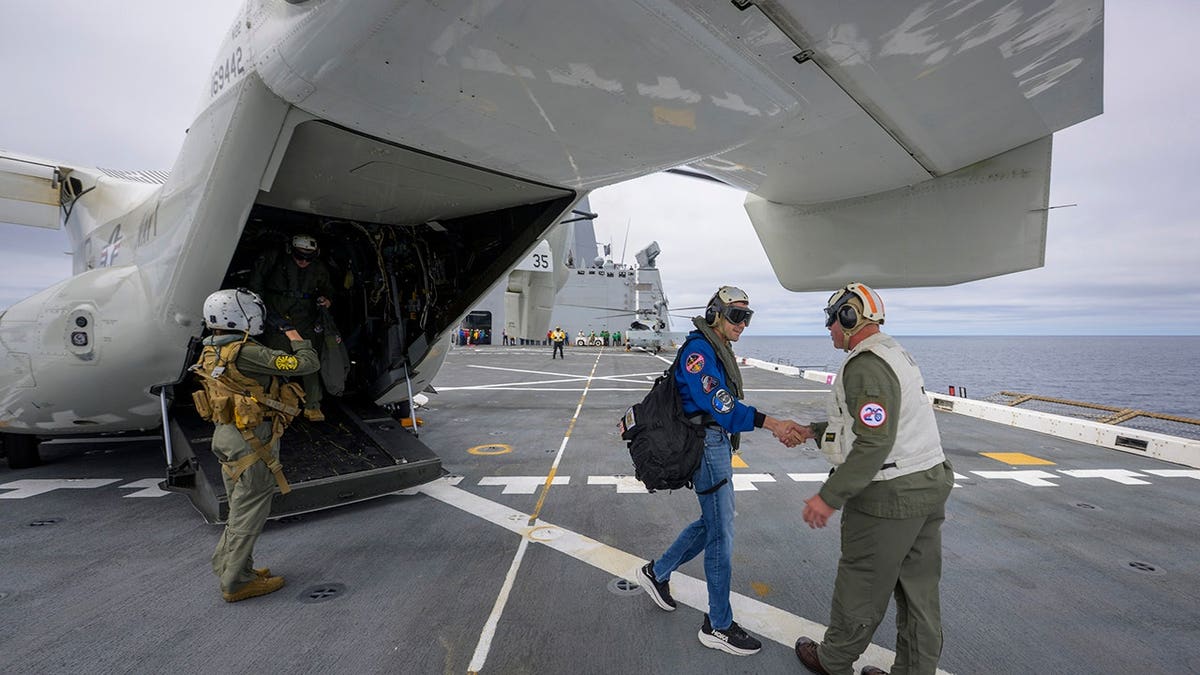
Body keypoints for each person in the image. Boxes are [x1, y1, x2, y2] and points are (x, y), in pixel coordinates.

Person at [791, 282, 954, 675]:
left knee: (861, 583)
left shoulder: (865, 366)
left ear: (849, 318)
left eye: (832, 320)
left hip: (889, 496)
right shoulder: (892, 352)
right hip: (926, 482)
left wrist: (828, 497)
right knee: (919, 593)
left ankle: (833, 661)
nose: (829, 328)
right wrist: (813, 431)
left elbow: (874, 443)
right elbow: (866, 425)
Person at [636, 285, 807, 656]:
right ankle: (718, 625)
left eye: (747, 316)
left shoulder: (717, 349)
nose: (743, 324)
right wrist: (773, 423)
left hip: (716, 444)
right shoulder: (700, 352)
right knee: (721, 535)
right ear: (715, 314)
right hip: (707, 446)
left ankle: (657, 572)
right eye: (736, 316)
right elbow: (723, 407)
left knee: (716, 521)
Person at [191, 288, 320, 602]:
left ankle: (233, 567)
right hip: (251, 441)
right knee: (250, 511)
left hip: (226, 437)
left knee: (239, 508)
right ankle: (236, 583)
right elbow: (307, 364)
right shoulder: (247, 352)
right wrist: (293, 333)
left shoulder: (210, 350)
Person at [247, 234, 334, 422]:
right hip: (276, 317)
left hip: (306, 318)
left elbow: (328, 289)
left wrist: (327, 300)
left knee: (310, 361)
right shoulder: (274, 260)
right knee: (277, 360)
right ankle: (275, 403)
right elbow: (255, 285)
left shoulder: (318, 268)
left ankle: (312, 405)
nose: (303, 261)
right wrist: (262, 311)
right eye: (299, 256)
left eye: (308, 258)